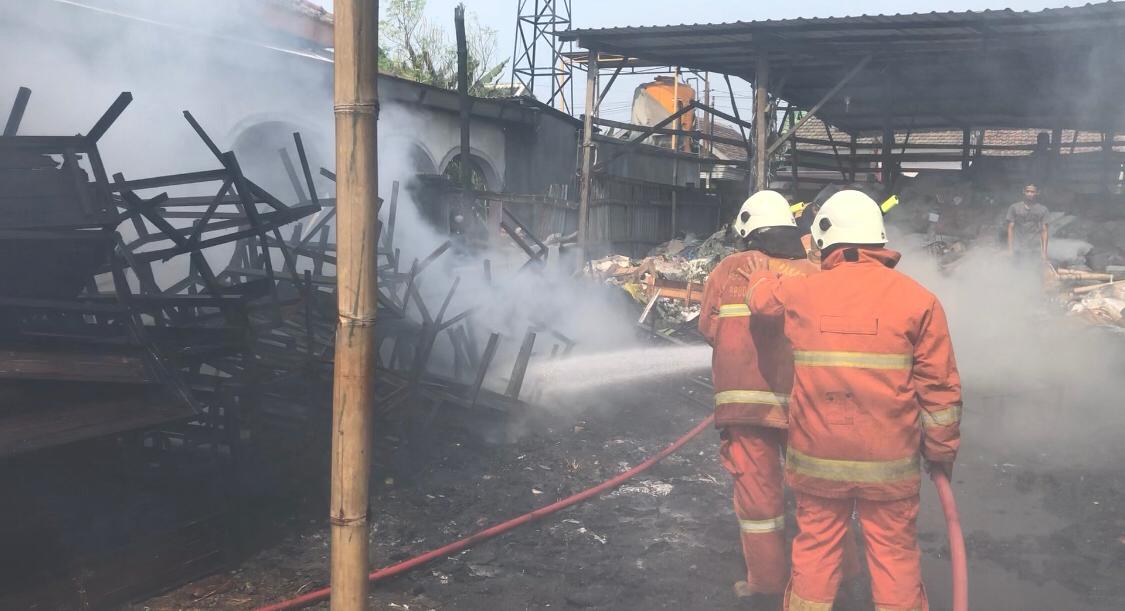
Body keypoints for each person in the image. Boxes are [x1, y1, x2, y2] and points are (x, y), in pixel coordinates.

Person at [743, 190, 963, 611]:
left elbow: (759, 302)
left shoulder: (802, 291)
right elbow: (940, 392)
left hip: (818, 462)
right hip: (890, 464)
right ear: (879, 240)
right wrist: (941, 452)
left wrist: (761, 273)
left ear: (826, 239)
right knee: (895, 557)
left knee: (816, 556)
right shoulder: (920, 300)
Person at [700, 191, 859, 609]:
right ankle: (837, 575)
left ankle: (766, 582)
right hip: (805, 403)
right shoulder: (814, 272)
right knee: (819, 495)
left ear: (747, 230)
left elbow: (708, 328)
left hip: (743, 409)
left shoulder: (725, 270)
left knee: (759, 501)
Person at [1006, 183, 1049, 261]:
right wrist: (1010, 249)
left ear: (1037, 193)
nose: (1029, 194)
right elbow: (1010, 228)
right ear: (1024, 192)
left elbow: (1044, 231)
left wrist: (1044, 252)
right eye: (1027, 191)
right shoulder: (1014, 208)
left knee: (1033, 270)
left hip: (1034, 248)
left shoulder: (1043, 210)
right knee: (1016, 270)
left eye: (1032, 192)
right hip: (1018, 246)